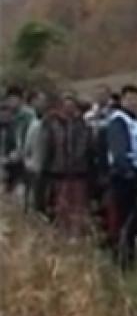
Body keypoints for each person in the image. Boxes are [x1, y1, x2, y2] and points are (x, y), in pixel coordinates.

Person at [106, 84, 137, 270]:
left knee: (132, 220)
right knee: (123, 219)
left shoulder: (135, 120)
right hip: (124, 177)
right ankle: (121, 258)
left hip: (136, 174)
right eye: (129, 99)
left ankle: (129, 256)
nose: (133, 103)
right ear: (122, 100)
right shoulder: (118, 120)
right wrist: (128, 171)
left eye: (136, 99)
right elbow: (119, 151)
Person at [41, 94, 91, 236]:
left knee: (77, 205)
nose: (69, 108)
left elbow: (86, 146)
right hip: (59, 170)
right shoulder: (52, 123)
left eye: (71, 105)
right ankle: (63, 233)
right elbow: (48, 146)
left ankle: (76, 234)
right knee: (61, 205)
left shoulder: (82, 124)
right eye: (66, 105)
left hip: (79, 171)